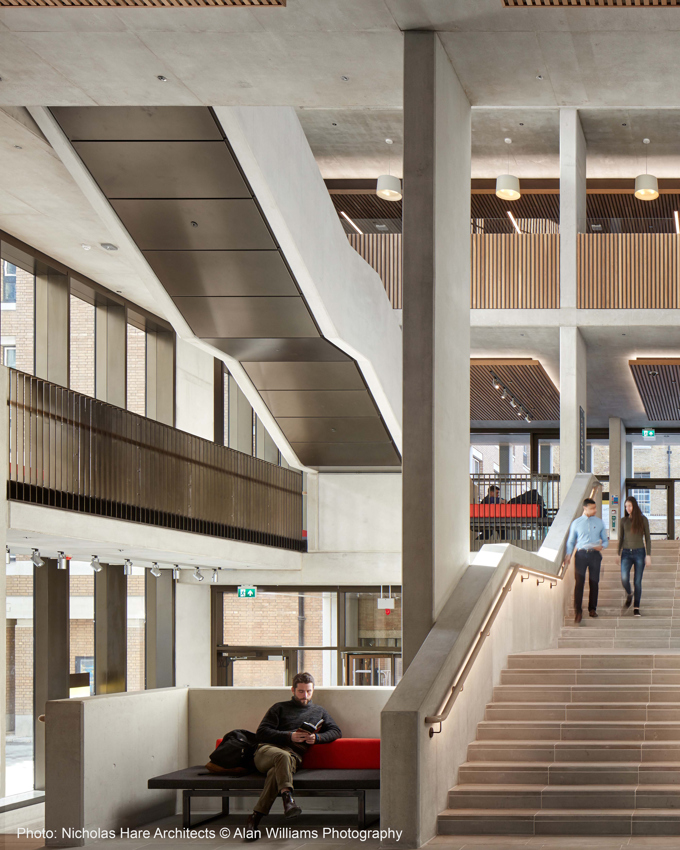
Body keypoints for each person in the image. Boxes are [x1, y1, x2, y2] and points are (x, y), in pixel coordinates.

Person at [244, 672, 341, 840]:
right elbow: (261, 732)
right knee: (282, 756)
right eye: (301, 691)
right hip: (266, 752)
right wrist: (289, 736)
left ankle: (254, 819)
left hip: (292, 758)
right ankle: (287, 798)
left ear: (313, 690)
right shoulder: (279, 707)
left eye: (309, 691)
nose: (305, 696)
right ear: (293, 690)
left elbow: (336, 731)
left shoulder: (319, 711)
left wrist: (316, 738)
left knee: (278, 770)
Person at [563, 497, 609, 623]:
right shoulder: (576, 523)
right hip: (581, 555)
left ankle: (592, 609)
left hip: (595, 555)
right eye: (592, 508)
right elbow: (571, 541)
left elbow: (605, 540)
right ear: (585, 508)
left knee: (594, 583)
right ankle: (578, 612)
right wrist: (568, 554)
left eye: (595, 508)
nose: (595, 510)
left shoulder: (599, 522)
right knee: (579, 583)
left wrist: (602, 546)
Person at [619, 495, 651, 617]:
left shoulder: (643, 520)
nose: (628, 508)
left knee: (637, 581)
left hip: (639, 553)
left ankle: (636, 607)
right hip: (626, 553)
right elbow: (621, 538)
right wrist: (618, 553)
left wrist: (648, 555)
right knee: (624, 578)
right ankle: (629, 593)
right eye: (626, 506)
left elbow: (648, 538)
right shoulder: (624, 521)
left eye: (630, 506)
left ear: (635, 506)